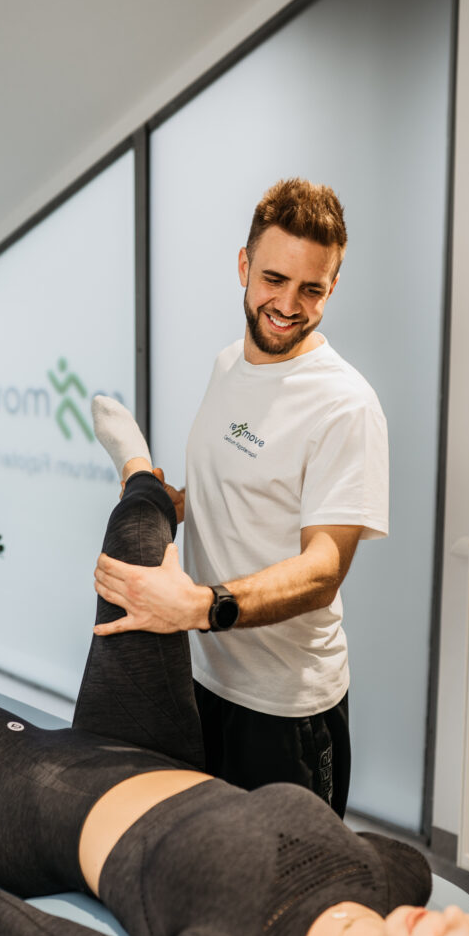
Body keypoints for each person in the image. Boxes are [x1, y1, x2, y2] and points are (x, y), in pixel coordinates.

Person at [0, 430, 469, 936]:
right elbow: (399, 860)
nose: (455, 927)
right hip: (153, 753)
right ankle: (143, 475)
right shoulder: (394, 880)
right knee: (139, 558)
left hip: (37, 795)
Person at [93, 178, 389, 817]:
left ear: (332, 287)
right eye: (274, 279)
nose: (288, 304)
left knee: (282, 879)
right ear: (243, 266)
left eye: (312, 289)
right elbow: (231, 491)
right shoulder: (229, 364)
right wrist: (167, 501)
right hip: (202, 680)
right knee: (197, 858)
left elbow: (323, 571)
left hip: (285, 711)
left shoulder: (346, 404)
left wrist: (200, 605)